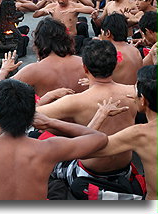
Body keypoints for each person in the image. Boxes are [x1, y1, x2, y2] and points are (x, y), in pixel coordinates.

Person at [36, 40, 139, 190]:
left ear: (85, 68)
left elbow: (30, 115)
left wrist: (46, 98)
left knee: (38, 138)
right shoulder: (135, 93)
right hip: (124, 170)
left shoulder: (75, 101)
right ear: (116, 64)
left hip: (88, 173)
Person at [88, 65, 157, 200]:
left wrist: (100, 115)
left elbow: (87, 151)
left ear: (143, 100)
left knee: (80, 186)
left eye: (135, 90)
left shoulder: (140, 134)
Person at [0, 17, 87, 97]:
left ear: (38, 42)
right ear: (67, 39)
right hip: (86, 119)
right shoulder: (84, 63)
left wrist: (3, 70)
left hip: (48, 118)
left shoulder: (34, 70)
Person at [99, 13, 142, 85]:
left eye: (101, 33)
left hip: (116, 94)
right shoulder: (135, 51)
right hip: (134, 92)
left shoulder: (109, 53)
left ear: (108, 33)